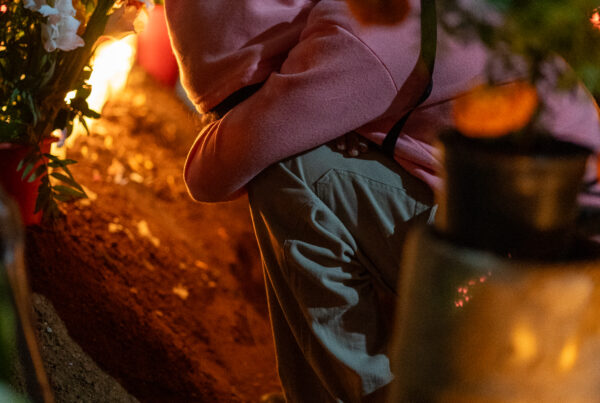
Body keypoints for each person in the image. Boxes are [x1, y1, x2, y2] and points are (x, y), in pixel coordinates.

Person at [164, 0, 600, 401]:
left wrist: (247, 127)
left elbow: (226, 166)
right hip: (542, 265)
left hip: (550, 294)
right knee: (326, 171)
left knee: (295, 174)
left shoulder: (367, 25)